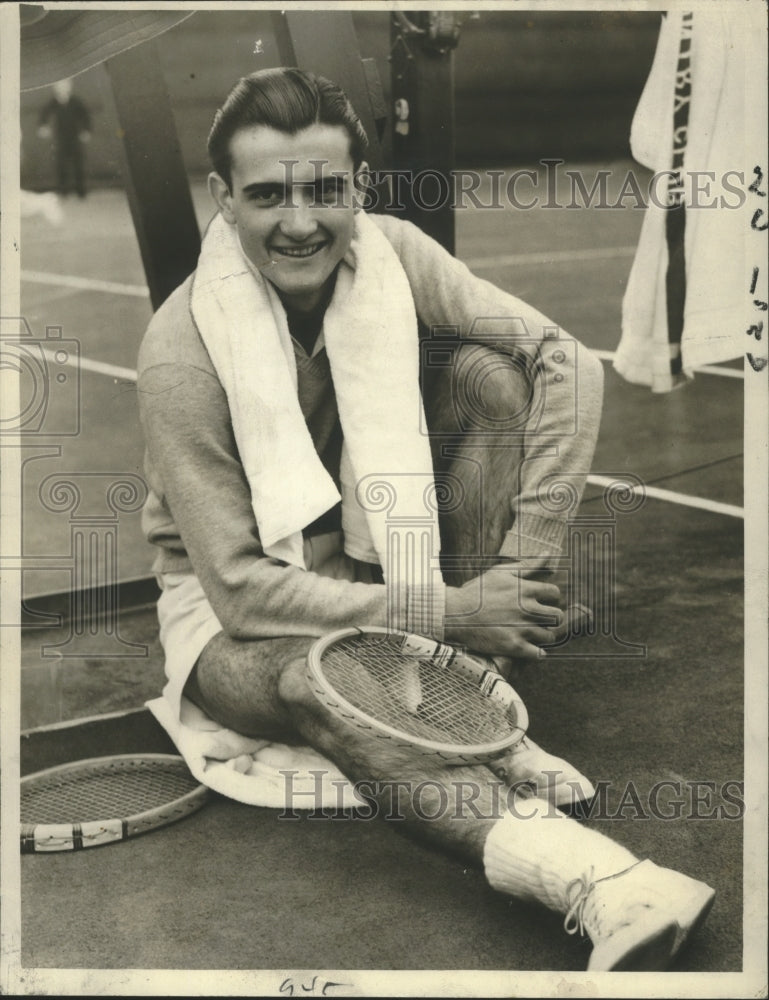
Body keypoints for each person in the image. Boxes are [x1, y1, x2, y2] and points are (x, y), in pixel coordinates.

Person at [137, 68, 714, 971]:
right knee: (313, 683)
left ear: (357, 186)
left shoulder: (395, 252)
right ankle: (600, 883)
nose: (300, 221)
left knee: (492, 377)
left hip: (384, 571)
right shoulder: (179, 350)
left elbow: (570, 361)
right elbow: (244, 593)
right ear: (223, 198)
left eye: (325, 189)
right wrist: (449, 612)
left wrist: (516, 581)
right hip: (233, 625)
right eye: (267, 195)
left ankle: (468, 687)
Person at [37, 78, 91, 198]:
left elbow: (85, 115)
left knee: (78, 164)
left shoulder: (75, 101)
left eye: (65, 86)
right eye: (59, 87)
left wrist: (86, 130)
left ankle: (81, 192)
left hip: (74, 137)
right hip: (61, 138)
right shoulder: (54, 102)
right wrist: (43, 126)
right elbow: (44, 114)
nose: (62, 89)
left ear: (70, 87)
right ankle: (63, 192)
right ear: (55, 89)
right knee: (61, 164)